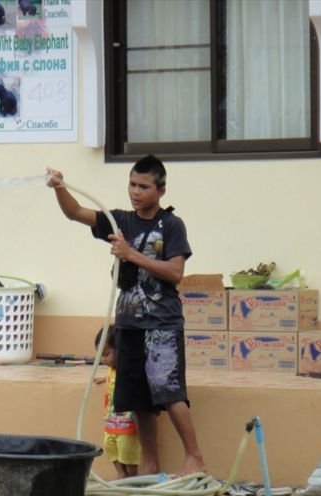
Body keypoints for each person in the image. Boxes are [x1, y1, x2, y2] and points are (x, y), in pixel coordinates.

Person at [47, 155, 207, 477]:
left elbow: (176, 272)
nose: (135, 192)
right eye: (132, 184)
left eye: (143, 186)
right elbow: (75, 213)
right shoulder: (118, 220)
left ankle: (194, 458)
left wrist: (130, 254)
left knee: (169, 391)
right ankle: (150, 467)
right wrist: (59, 188)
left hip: (161, 323)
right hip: (129, 324)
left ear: (160, 190)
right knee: (139, 399)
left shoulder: (172, 225)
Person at [94, 325, 139, 478]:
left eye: (106, 354)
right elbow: (111, 379)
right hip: (111, 423)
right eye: (101, 355)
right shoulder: (111, 370)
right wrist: (103, 379)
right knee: (111, 449)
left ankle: (133, 477)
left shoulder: (128, 371)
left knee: (128, 453)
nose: (103, 359)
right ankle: (122, 475)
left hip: (127, 423)